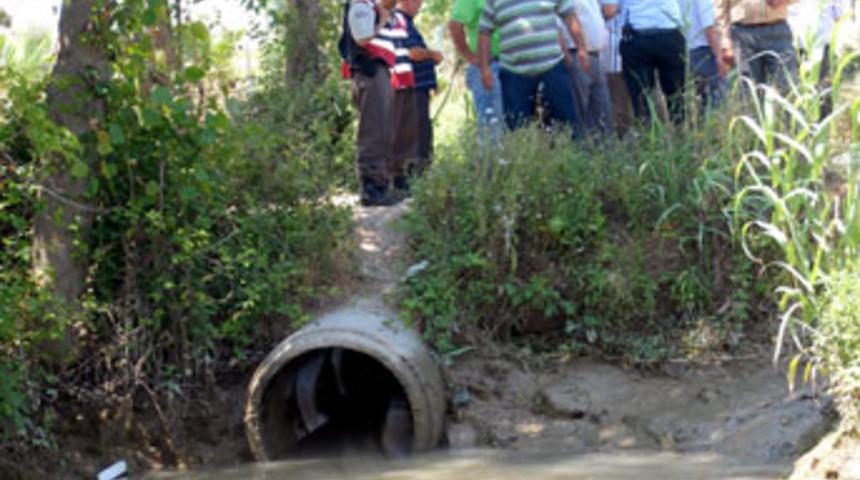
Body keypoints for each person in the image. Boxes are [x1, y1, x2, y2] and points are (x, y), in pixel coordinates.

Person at [478, 0, 589, 134]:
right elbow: (484, 31)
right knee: (518, 131)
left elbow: (569, 16)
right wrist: (484, 69)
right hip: (514, 75)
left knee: (566, 127)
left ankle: (569, 154)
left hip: (552, 69)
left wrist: (582, 48)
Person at [339, 0, 401, 206]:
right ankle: (371, 187)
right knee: (373, 129)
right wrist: (382, 20)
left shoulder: (374, 6)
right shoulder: (361, 5)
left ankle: (382, 184)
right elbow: (363, 38)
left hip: (379, 72)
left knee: (383, 128)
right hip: (370, 72)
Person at [385, 0, 442, 193]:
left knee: (420, 132)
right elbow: (412, 53)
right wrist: (432, 55)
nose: (420, 5)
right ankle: (403, 178)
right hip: (408, 87)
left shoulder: (407, 22)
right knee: (409, 133)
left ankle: (417, 178)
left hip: (418, 87)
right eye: (418, 2)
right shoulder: (398, 19)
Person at [604, 0, 687, 124]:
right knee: (676, 95)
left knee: (641, 98)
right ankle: (680, 134)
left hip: (637, 36)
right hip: (671, 34)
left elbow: (609, 9)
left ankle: (646, 135)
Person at [449, 0, 504, 144]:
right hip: (488, 65)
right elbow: (455, 24)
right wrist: (469, 56)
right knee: (491, 123)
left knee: (514, 121)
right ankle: (490, 164)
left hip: (514, 63)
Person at [716, 0, 799, 94]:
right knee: (749, 90)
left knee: (787, 84)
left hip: (777, 30)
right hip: (743, 34)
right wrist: (724, 39)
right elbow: (719, 7)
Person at [559, 0, 613, 134]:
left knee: (602, 111)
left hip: (595, 55)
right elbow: (556, 24)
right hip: (576, 54)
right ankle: (579, 150)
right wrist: (566, 54)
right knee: (579, 112)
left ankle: (602, 151)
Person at [679, 0, 729, 110]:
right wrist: (719, 57)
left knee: (702, 104)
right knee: (718, 105)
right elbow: (709, 27)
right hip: (707, 51)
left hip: (689, 49)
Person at [600, 1, 634, 135]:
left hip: (615, 45)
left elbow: (609, 9)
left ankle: (622, 137)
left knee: (617, 96)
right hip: (619, 44)